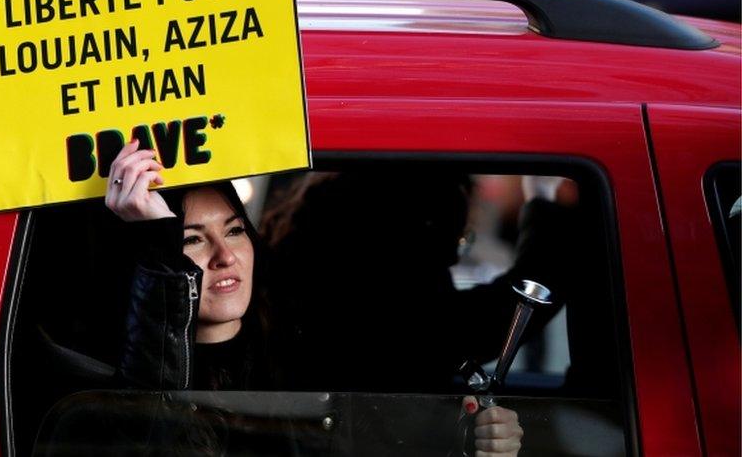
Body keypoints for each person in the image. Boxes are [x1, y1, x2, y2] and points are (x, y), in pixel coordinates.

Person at [99, 140, 524, 455]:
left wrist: (472, 440)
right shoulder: (126, 376)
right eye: (191, 239)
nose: (225, 257)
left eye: (234, 230)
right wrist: (157, 241)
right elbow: (145, 428)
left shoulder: (307, 354)